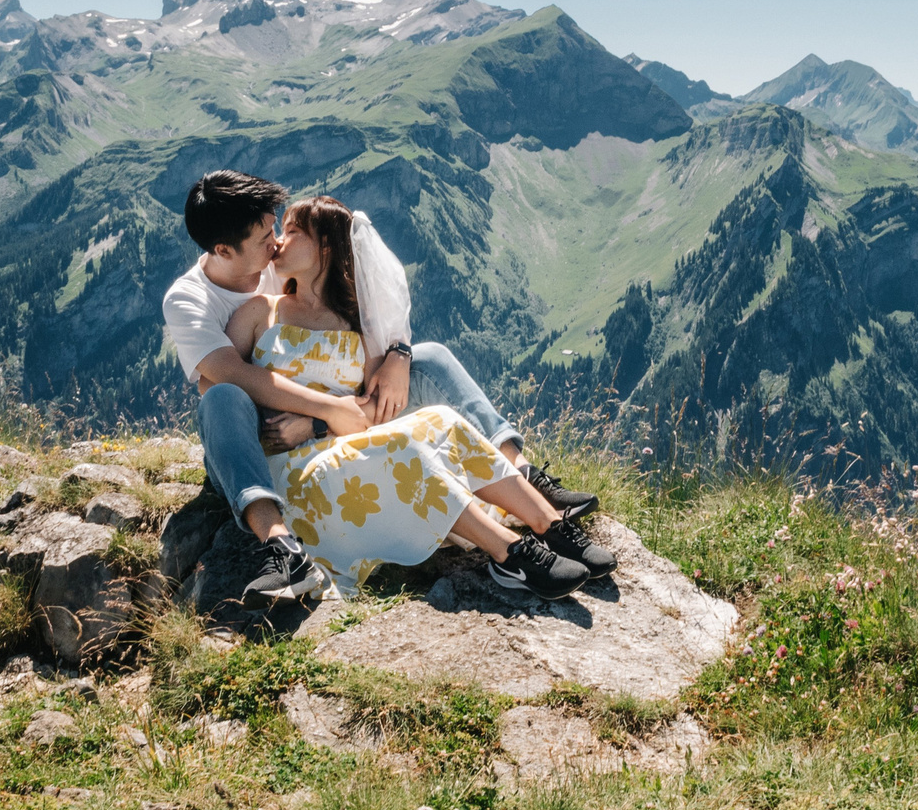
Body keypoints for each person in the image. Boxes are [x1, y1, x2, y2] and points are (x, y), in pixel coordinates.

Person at [161, 171, 610, 607]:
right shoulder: (229, 304)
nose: (276, 240)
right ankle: (508, 553)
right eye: (267, 236)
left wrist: (397, 354)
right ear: (224, 249)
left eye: (284, 229)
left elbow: (370, 392)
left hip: (333, 437)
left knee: (441, 411)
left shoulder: (317, 298)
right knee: (397, 448)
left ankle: (543, 513)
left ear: (326, 249)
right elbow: (222, 380)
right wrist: (326, 411)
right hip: (268, 449)